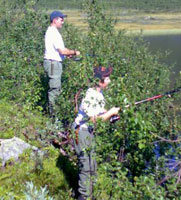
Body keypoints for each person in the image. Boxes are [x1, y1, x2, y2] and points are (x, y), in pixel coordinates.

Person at [72, 66, 120, 200]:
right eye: (107, 78)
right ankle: (83, 196)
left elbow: (99, 110)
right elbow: (95, 121)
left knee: (92, 164)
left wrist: (108, 112)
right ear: (99, 81)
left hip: (88, 131)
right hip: (81, 131)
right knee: (85, 167)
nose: (110, 81)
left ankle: (87, 193)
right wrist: (111, 112)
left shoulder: (98, 93)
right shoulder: (90, 95)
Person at [44, 10, 80, 117]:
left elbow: (61, 50)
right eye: (61, 19)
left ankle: (54, 115)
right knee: (55, 90)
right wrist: (74, 52)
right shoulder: (53, 33)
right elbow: (62, 51)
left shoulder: (52, 32)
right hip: (53, 63)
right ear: (54, 20)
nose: (63, 22)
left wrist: (67, 54)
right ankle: (54, 118)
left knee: (56, 88)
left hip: (54, 63)